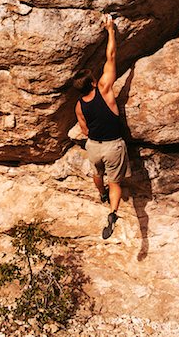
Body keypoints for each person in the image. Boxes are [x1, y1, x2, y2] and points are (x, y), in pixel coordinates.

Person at [73, 14, 131, 239]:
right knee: (116, 181)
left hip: (93, 146)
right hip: (113, 146)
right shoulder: (105, 90)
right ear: (94, 83)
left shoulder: (79, 105)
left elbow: (84, 129)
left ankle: (101, 193)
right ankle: (113, 212)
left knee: (97, 173)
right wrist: (110, 30)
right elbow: (111, 56)